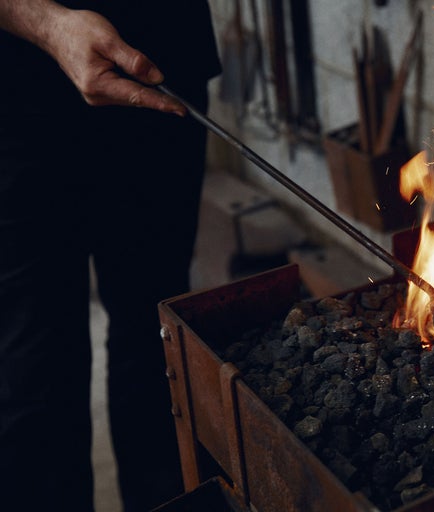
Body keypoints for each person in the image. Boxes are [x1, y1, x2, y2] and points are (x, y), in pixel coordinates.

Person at [0, 1, 220, 510]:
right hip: (17, 105)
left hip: (163, 76)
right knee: (35, 370)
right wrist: (48, 22)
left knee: (158, 346)